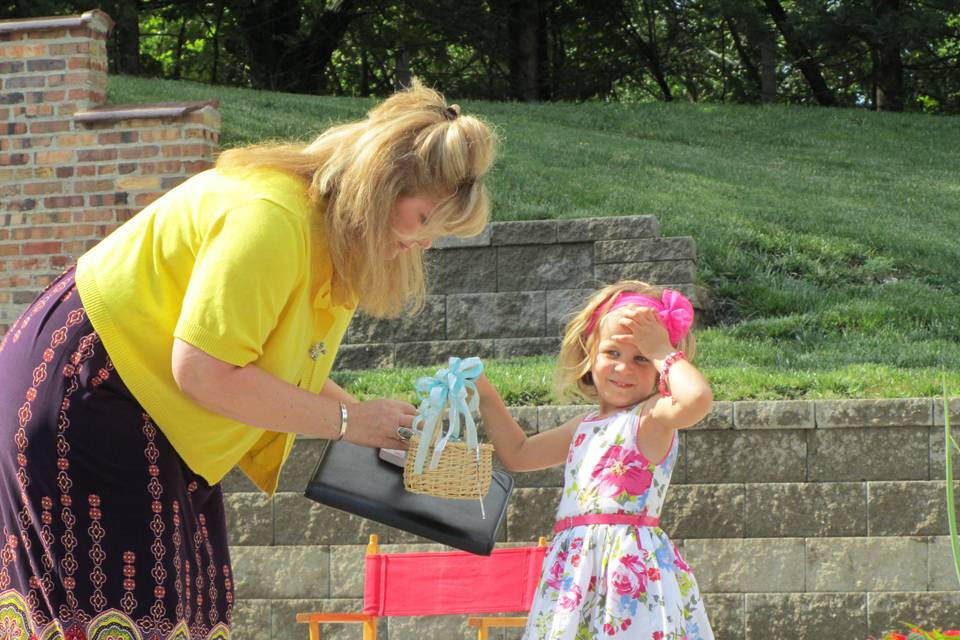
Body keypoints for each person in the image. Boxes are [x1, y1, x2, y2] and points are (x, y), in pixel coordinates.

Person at [0, 80, 494, 639]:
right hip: (90, 390)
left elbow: (267, 360)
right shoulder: (272, 219)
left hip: (146, 398)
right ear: (382, 184)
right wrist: (349, 422)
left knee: (186, 610)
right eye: (425, 218)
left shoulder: (321, 229)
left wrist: (369, 422)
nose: (426, 242)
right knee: (122, 609)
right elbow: (205, 370)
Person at [475, 280, 714, 640]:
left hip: (628, 579)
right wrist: (483, 391)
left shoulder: (650, 418)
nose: (624, 368)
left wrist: (663, 351)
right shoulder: (584, 427)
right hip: (575, 576)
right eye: (613, 353)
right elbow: (518, 453)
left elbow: (696, 398)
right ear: (590, 352)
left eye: (641, 359)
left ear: (658, 369)